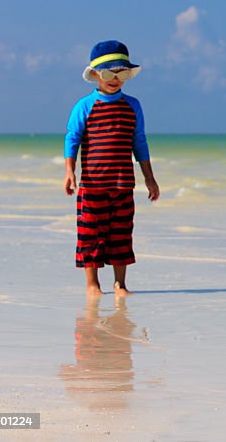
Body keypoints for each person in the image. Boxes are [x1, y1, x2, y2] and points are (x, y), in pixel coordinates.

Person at [64, 40, 160, 297]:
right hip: (93, 184)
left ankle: (120, 283)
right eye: (108, 73)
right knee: (90, 233)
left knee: (121, 233)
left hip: (122, 184)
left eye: (122, 73)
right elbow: (72, 138)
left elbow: (139, 142)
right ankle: (92, 284)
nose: (115, 79)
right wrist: (70, 172)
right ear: (95, 75)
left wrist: (149, 178)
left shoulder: (132, 106)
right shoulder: (85, 106)